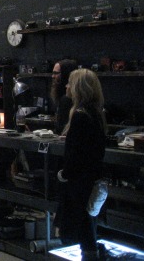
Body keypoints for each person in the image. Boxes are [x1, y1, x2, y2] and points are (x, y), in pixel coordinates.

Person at [57, 69, 106, 261]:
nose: (66, 86)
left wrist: (63, 174)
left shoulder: (79, 116)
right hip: (91, 180)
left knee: (82, 229)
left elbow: (75, 155)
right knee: (88, 228)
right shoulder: (96, 113)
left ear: (78, 87)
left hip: (79, 184)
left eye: (70, 82)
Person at [50, 59, 78, 135]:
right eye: (53, 73)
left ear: (66, 74)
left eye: (56, 73)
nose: (53, 76)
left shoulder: (67, 99)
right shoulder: (62, 96)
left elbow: (61, 129)